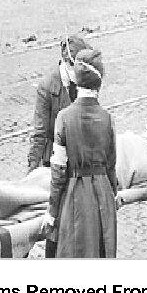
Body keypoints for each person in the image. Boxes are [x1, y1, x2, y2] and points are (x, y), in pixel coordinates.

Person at [41, 48, 118, 258]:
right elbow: (111, 165)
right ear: (99, 82)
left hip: (75, 195)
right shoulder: (108, 119)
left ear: (75, 80)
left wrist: (52, 211)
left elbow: (58, 171)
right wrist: (115, 194)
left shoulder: (64, 118)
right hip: (103, 196)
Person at [28, 34, 91, 258]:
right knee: (55, 226)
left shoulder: (83, 80)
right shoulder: (48, 86)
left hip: (79, 162)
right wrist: (32, 175)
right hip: (54, 162)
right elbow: (38, 133)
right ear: (67, 63)